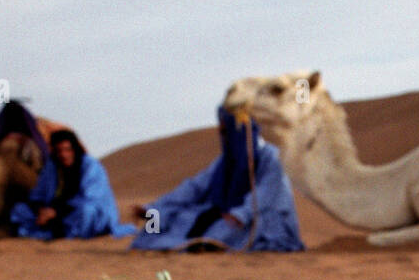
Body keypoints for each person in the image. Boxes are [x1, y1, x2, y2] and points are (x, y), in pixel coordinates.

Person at [130, 107, 303, 252]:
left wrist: (241, 214)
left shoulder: (272, 157)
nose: (224, 137)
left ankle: (201, 246)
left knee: (223, 231)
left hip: (256, 219)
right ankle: (171, 245)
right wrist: (153, 208)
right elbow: (194, 188)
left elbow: (266, 193)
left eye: (226, 131)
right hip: (222, 212)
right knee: (167, 219)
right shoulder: (224, 163)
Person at [10, 129, 133, 240]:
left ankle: (62, 233)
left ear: (74, 149)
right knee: (20, 209)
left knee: (86, 211)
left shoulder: (90, 166)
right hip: (53, 213)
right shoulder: (52, 167)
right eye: (59, 151)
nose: (63, 155)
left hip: (83, 212)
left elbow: (90, 198)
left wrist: (56, 212)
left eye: (67, 150)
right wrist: (41, 210)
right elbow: (38, 194)